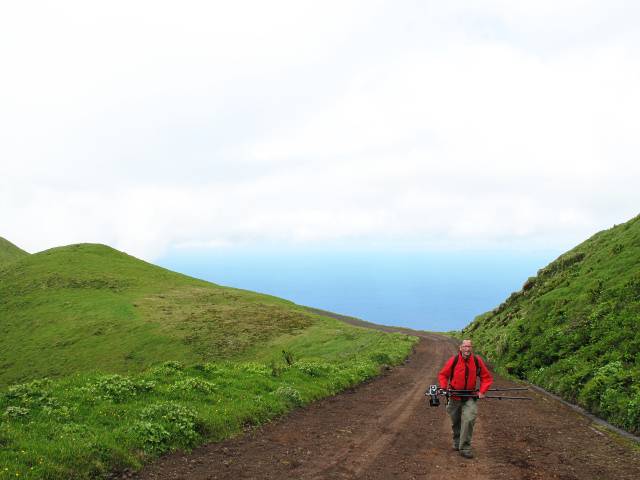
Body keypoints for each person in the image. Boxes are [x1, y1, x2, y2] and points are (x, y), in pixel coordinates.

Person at [438, 339, 493, 459]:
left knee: (468, 420)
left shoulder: (477, 361)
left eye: (469, 346)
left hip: (470, 396)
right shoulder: (454, 360)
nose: (467, 349)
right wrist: (443, 388)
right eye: (465, 346)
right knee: (455, 421)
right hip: (454, 396)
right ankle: (457, 442)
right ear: (460, 348)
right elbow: (443, 375)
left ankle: (465, 448)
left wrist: (482, 391)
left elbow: (486, 377)